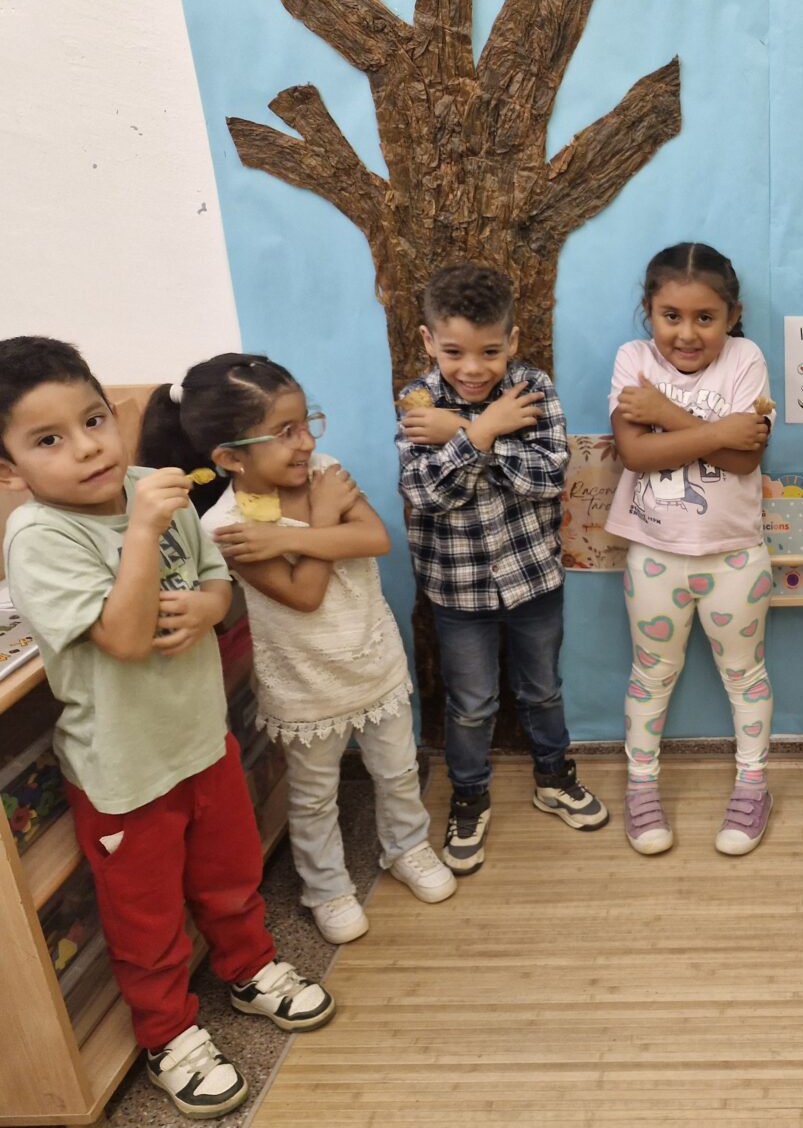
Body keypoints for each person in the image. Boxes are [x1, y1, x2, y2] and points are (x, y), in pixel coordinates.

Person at [0, 337, 333, 1119]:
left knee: (230, 873)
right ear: (10, 469)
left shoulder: (154, 484)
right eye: (48, 440)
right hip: (123, 771)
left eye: (91, 421)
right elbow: (119, 637)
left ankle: (248, 967)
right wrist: (143, 533)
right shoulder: (39, 538)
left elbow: (214, 577)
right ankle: (168, 1033)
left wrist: (212, 606)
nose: (85, 448)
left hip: (199, 740)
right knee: (145, 916)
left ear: (116, 416)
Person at [139, 353, 456, 946]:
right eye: (285, 432)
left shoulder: (325, 474)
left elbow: (376, 537)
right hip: (306, 684)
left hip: (371, 661)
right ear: (231, 457)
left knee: (399, 770)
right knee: (313, 797)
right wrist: (325, 522)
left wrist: (306, 528)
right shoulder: (227, 528)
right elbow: (305, 595)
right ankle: (327, 887)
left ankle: (407, 848)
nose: (307, 442)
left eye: (307, 422)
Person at [397, 262, 607, 875]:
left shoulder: (533, 387)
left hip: (534, 578)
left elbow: (547, 479)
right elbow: (428, 492)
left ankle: (554, 776)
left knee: (542, 688)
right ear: (429, 341)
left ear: (511, 342)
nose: (472, 367)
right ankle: (469, 795)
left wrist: (461, 433)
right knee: (471, 703)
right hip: (457, 588)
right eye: (455, 351)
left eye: (489, 351)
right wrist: (487, 429)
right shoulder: (417, 402)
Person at [607, 243, 775, 855]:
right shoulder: (633, 359)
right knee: (651, 674)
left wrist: (666, 414)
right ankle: (641, 783)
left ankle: (754, 782)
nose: (686, 332)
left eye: (705, 317)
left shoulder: (746, 358)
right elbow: (635, 454)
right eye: (670, 315)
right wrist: (713, 430)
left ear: (732, 315)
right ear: (648, 312)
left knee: (744, 674)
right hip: (653, 554)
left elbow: (745, 456)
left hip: (736, 555)